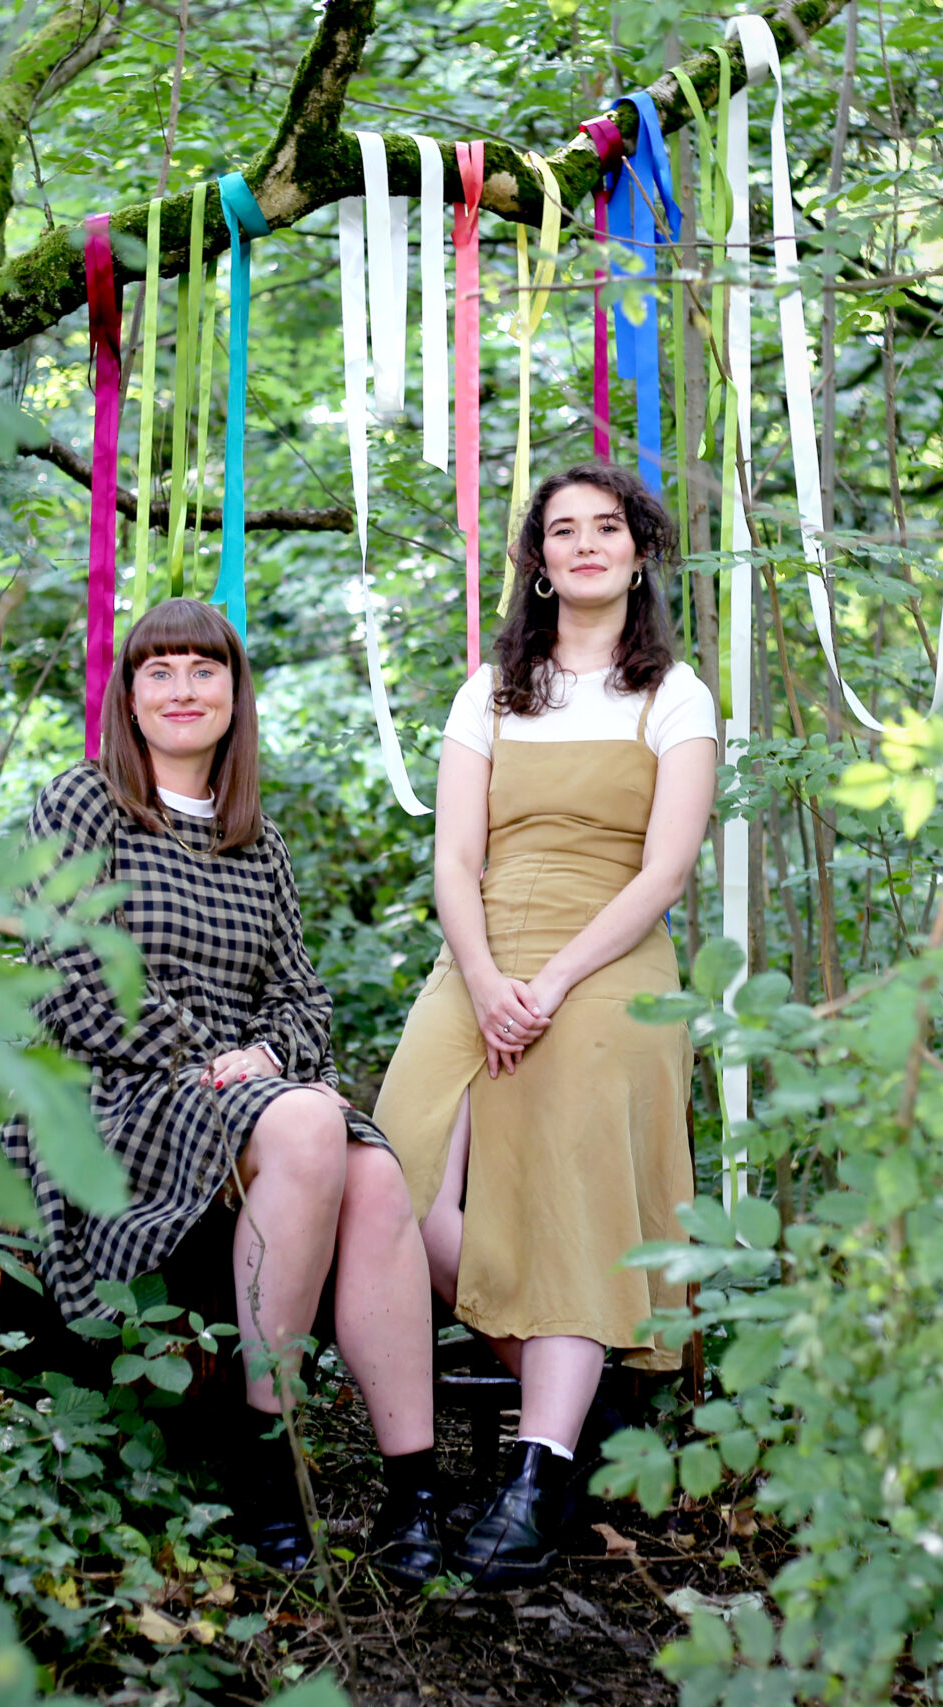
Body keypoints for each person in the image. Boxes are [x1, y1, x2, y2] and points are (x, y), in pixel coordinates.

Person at [0, 598, 442, 1582]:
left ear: (236, 696)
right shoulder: (81, 805)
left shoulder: (259, 843)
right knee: (309, 1124)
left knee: (368, 1172)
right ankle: (265, 1465)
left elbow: (299, 993)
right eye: (159, 670)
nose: (183, 689)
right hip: (116, 1095)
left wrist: (268, 1055)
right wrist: (206, 1057)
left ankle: (415, 1493)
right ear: (128, 696)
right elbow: (72, 970)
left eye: (205, 669)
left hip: (245, 1101)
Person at [373, 463, 718, 1588]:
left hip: (610, 961)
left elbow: (665, 869)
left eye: (603, 528)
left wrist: (556, 982)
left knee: (569, 1183)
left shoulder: (675, 695)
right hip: (482, 954)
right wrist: (481, 978)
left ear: (637, 550)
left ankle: (535, 1471)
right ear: (535, 559)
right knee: (391, 1178)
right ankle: (584, 1402)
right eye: (560, 530)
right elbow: (455, 855)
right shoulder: (491, 690)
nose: (582, 545)